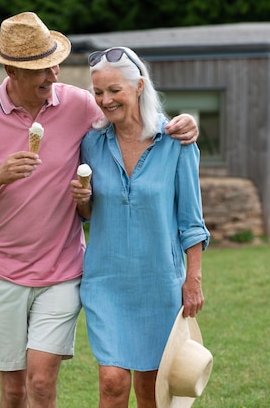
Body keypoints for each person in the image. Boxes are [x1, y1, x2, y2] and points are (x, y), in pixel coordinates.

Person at [0, 12, 199, 408]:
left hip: (62, 270)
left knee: (42, 383)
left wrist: (183, 123)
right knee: (14, 390)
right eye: (40, 70)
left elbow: (132, 116)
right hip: (0, 269)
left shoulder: (79, 104)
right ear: (12, 70)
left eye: (54, 64)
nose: (52, 75)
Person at [69, 46, 210, 407]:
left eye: (114, 90)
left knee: (151, 390)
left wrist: (192, 279)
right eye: (98, 92)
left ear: (139, 87)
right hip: (107, 282)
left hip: (159, 284)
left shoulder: (176, 143)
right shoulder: (92, 143)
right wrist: (81, 197)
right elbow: (87, 213)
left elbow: (191, 221)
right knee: (112, 383)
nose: (105, 100)